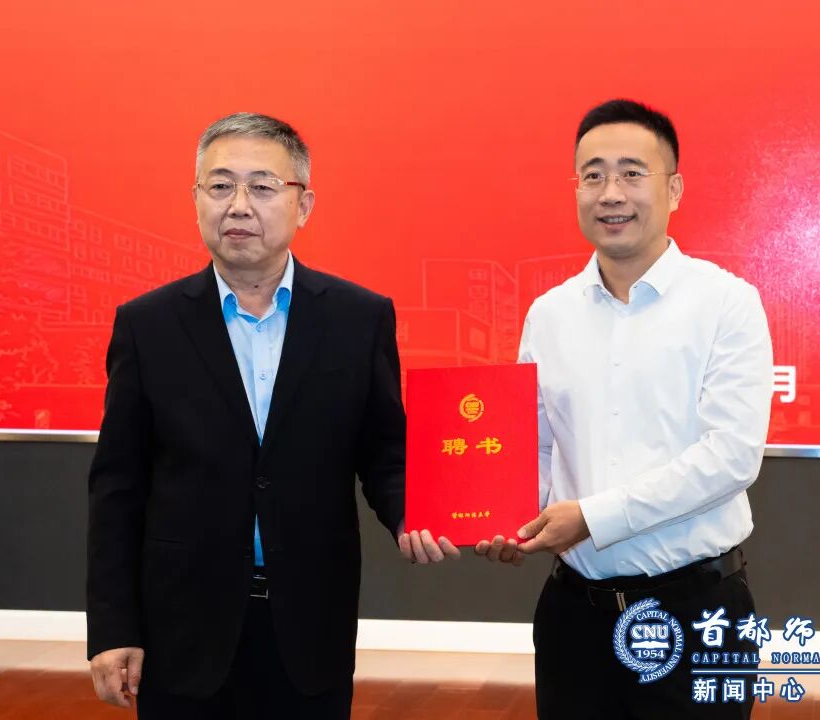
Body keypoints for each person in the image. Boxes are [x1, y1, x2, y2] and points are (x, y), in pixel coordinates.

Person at [87, 112, 458, 719]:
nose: (238, 205)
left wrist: (410, 515)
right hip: (182, 625)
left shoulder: (358, 318)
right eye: (220, 185)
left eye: (262, 186)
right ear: (196, 199)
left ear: (302, 204)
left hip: (310, 620)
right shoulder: (147, 325)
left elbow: (384, 453)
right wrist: (112, 627)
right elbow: (117, 487)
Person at [476, 99, 773, 719]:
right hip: (573, 616)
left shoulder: (727, 304)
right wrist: (503, 518)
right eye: (593, 175)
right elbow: (534, 445)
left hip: (694, 612)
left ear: (674, 189)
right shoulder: (549, 315)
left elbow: (731, 457)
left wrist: (592, 517)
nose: (610, 193)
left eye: (632, 173)